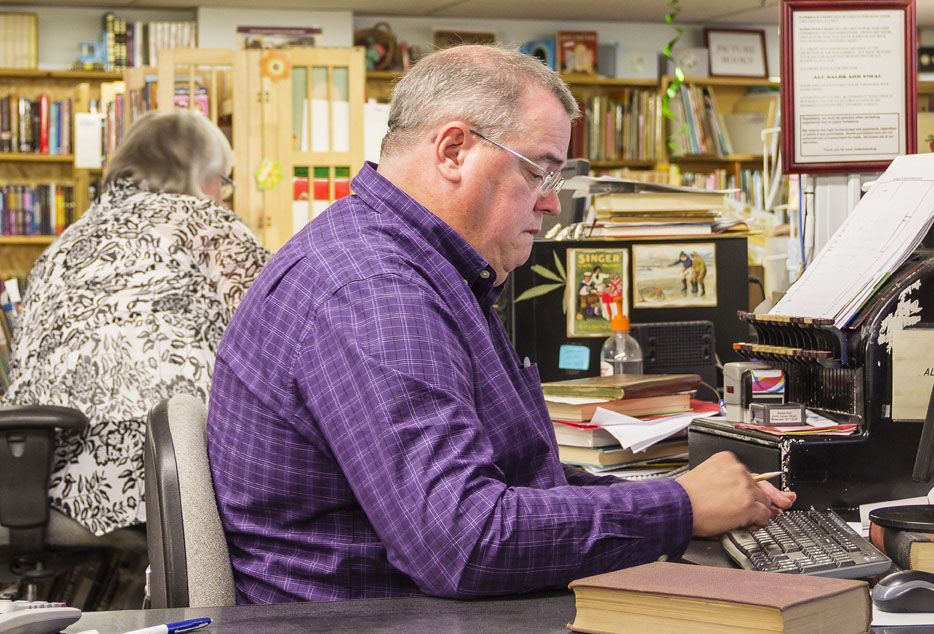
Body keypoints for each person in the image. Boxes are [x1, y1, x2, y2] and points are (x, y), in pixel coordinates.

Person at [206, 44, 795, 605]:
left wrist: (669, 498)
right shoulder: (376, 291)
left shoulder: (412, 263)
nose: (552, 203)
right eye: (538, 172)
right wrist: (679, 508)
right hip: (375, 614)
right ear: (453, 150)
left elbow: (509, 483)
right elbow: (462, 541)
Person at [3, 110, 271, 536]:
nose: (223, 195)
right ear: (202, 175)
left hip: (34, 475)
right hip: (166, 473)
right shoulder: (208, 225)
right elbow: (276, 328)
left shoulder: (64, 242)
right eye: (223, 181)